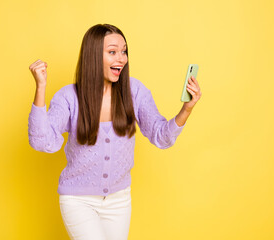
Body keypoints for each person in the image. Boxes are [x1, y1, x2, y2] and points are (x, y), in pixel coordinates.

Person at [28, 23, 201, 240]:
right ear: (92, 56)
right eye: (112, 52)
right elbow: (42, 141)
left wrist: (187, 108)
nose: (122, 58)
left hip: (119, 201)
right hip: (78, 200)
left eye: (124, 51)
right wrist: (41, 87)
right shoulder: (69, 97)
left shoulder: (134, 91)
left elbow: (161, 136)